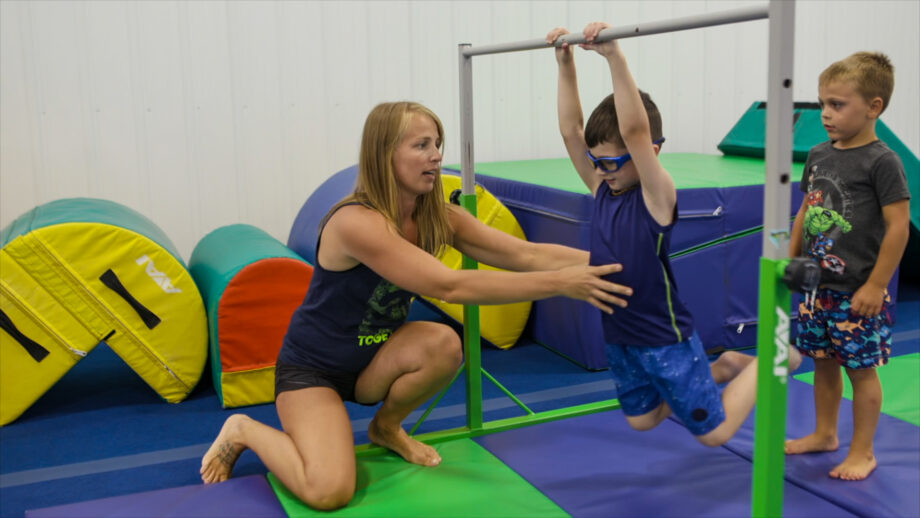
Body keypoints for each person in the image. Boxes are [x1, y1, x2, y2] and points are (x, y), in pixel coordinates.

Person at [200, 101, 634, 510]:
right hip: (314, 371)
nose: (436, 156)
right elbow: (450, 285)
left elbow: (527, 255)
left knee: (443, 344)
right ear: (384, 155)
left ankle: (386, 427)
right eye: (421, 145)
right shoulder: (356, 223)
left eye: (437, 144)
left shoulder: (436, 216)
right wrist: (562, 284)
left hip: (376, 363)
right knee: (328, 490)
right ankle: (244, 429)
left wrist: (619, 264)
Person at [547, 22, 801, 447]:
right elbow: (571, 132)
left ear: (652, 153)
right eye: (597, 161)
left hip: (665, 339)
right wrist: (564, 63)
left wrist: (614, 57)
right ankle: (722, 367)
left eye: (611, 162)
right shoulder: (602, 189)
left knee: (714, 434)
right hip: (620, 336)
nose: (601, 170)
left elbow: (635, 132)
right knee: (643, 421)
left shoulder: (656, 198)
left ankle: (771, 359)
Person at [785, 52, 910, 481]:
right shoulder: (820, 153)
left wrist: (876, 284)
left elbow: (898, 228)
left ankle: (863, 451)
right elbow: (808, 205)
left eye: (837, 105)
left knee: (861, 370)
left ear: (874, 106)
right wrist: (792, 253)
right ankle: (824, 433)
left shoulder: (882, 162)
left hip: (858, 290)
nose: (825, 114)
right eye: (822, 103)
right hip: (818, 286)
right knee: (821, 361)